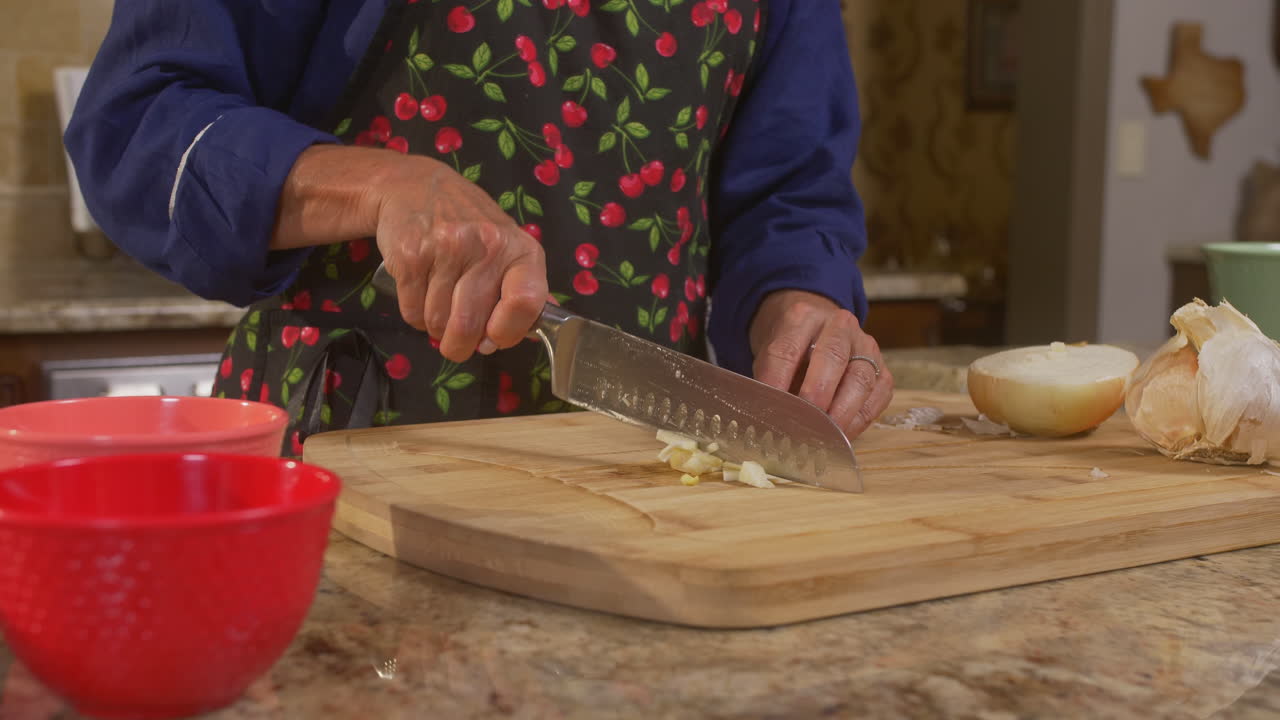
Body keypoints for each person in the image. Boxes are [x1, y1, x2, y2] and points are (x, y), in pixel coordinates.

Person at [65, 0, 894, 457]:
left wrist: (799, 298)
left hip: (649, 468)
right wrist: (381, 183)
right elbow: (135, 125)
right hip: (346, 459)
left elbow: (792, 190)